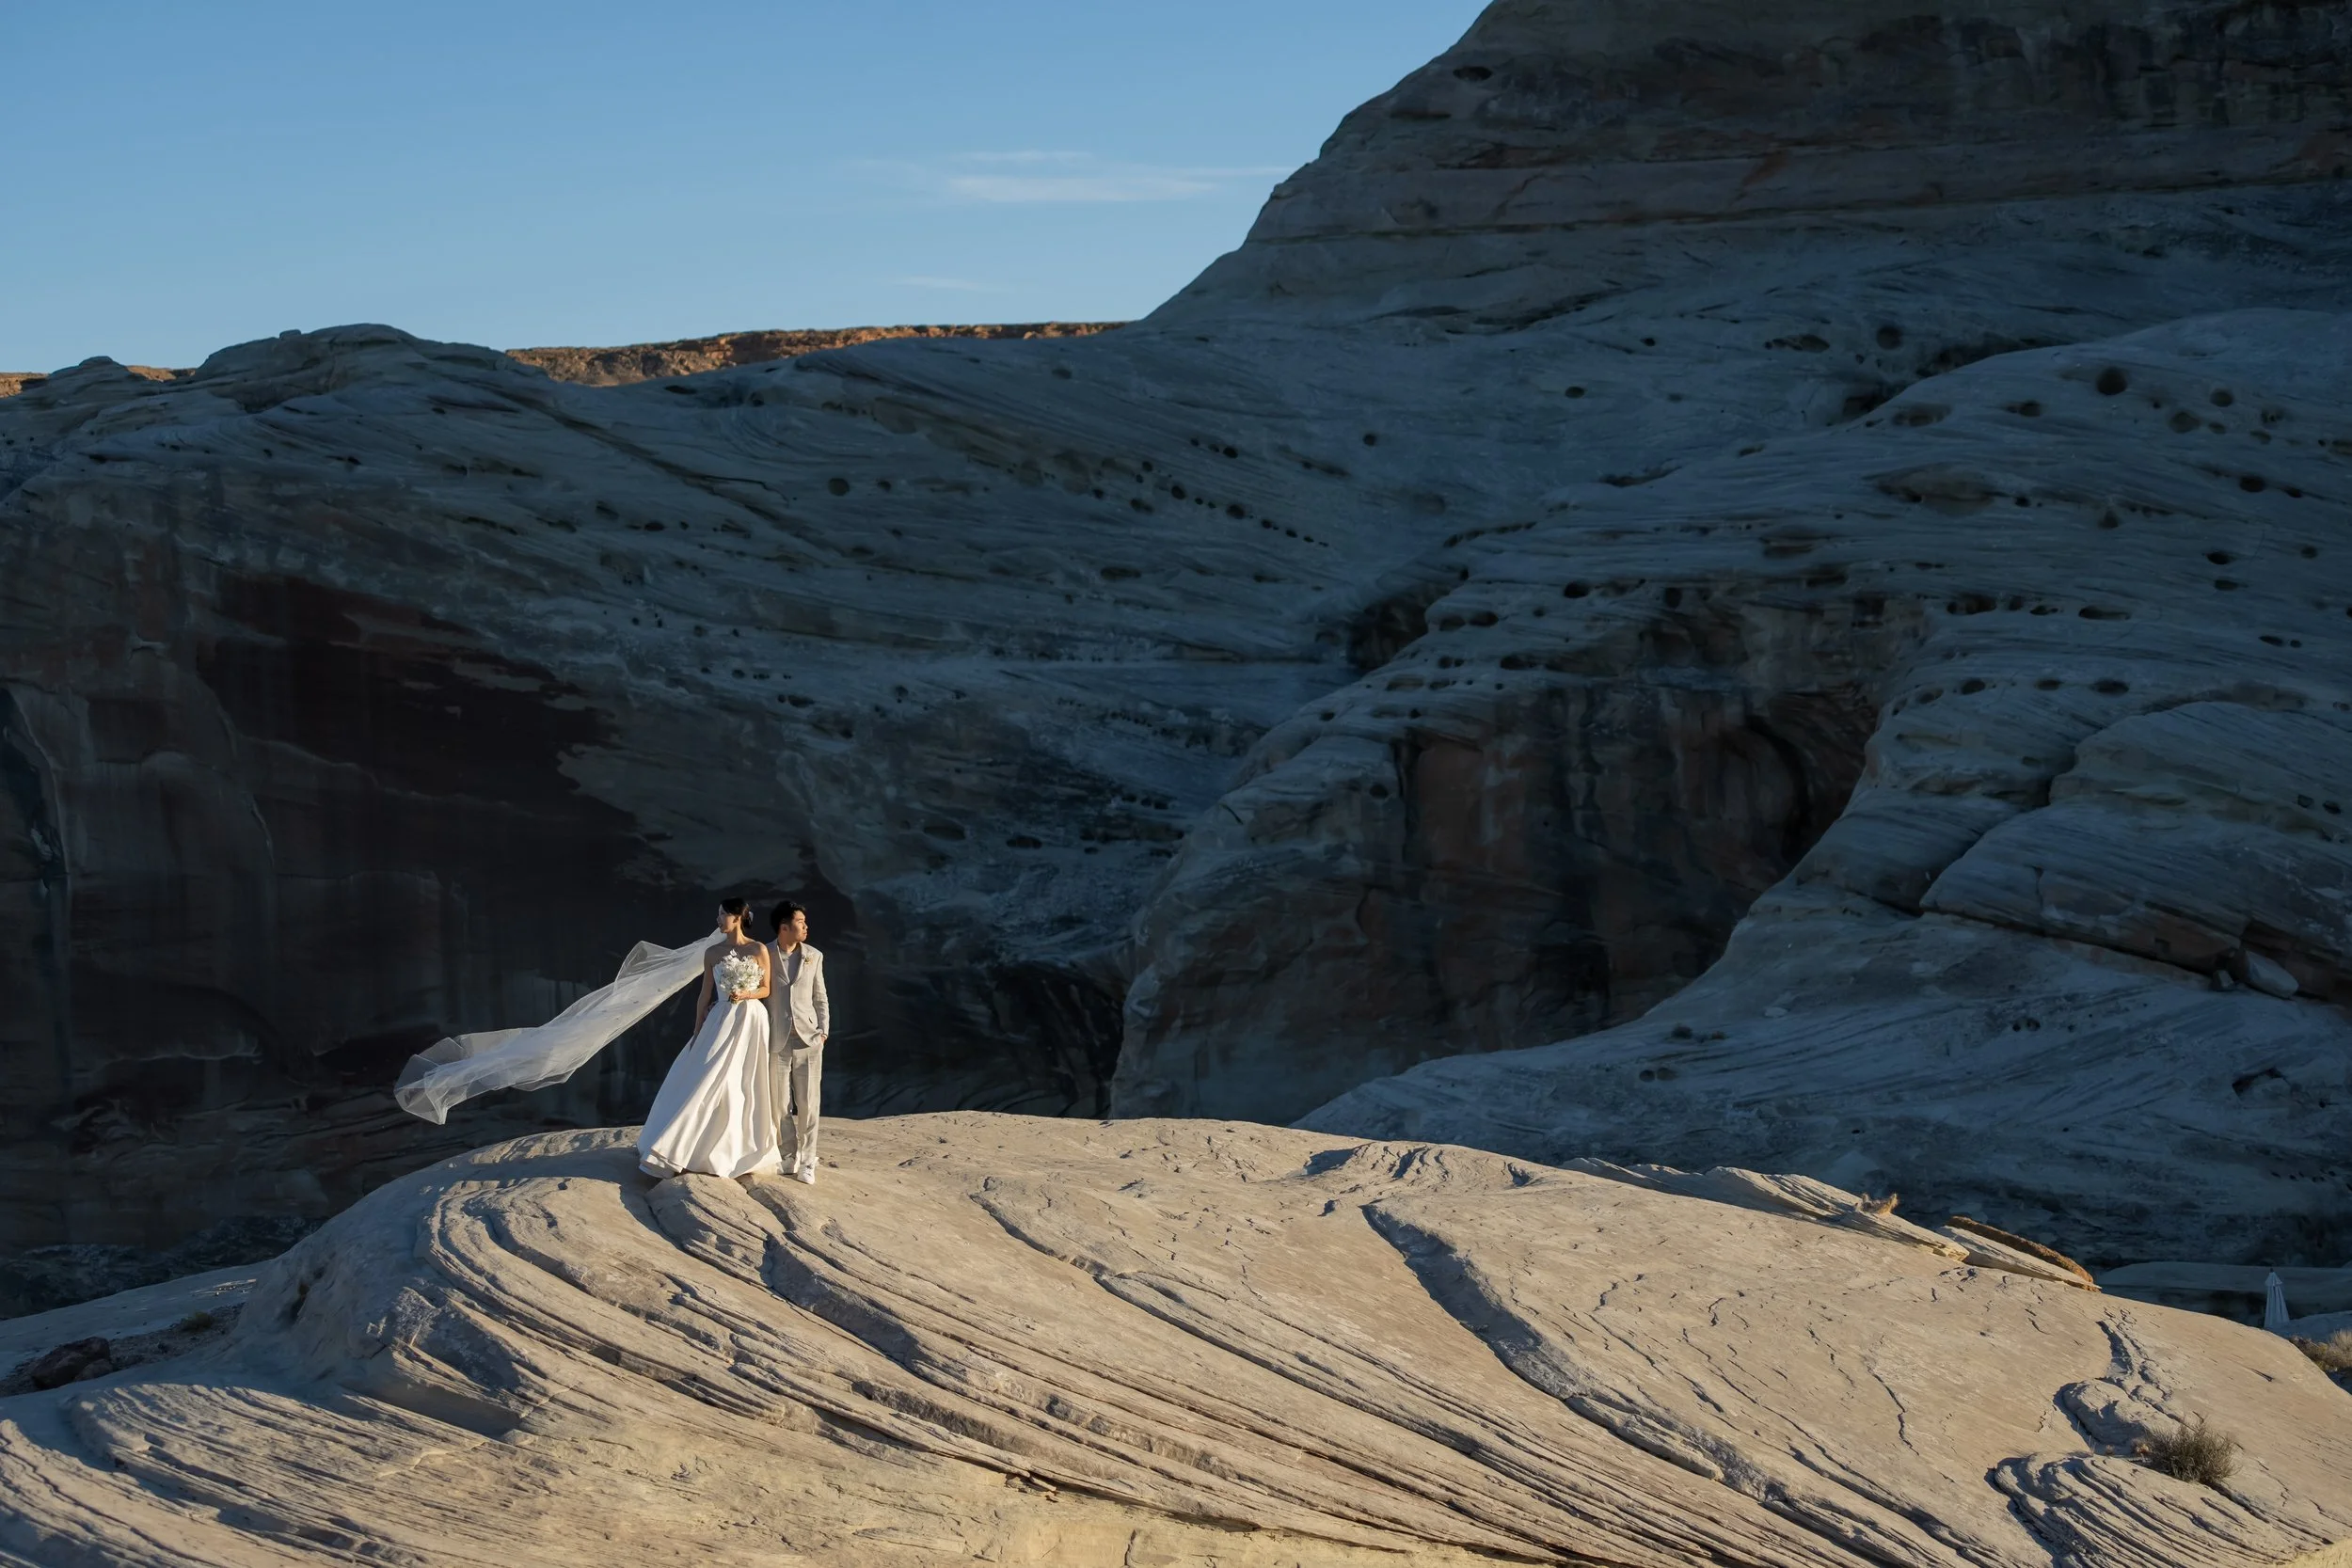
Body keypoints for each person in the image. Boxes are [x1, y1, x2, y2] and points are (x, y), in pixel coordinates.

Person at [635, 898, 783, 1179]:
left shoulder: (758, 949)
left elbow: (765, 989)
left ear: (737, 918)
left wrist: (745, 994)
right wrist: (697, 1029)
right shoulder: (713, 952)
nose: (718, 920)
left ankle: (733, 1151)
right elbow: (705, 994)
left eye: (723, 915)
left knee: (743, 1081)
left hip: (751, 1019)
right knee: (707, 1076)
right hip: (722, 1018)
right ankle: (680, 1146)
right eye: (718, 915)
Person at [767, 900, 830, 1183]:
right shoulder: (764, 954)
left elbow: (820, 997)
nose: (806, 926)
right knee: (779, 1103)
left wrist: (824, 1032)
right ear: (784, 927)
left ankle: (808, 1161)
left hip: (808, 1038)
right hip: (775, 1039)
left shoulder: (814, 955)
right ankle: (788, 1155)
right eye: (801, 921)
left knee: (808, 1102)